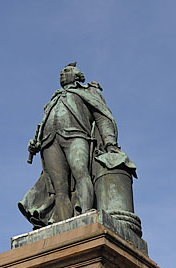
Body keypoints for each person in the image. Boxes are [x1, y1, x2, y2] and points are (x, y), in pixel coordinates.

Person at [19, 62, 137, 229]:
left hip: (76, 136)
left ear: (77, 75)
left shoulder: (85, 92)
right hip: (49, 141)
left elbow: (102, 118)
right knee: (59, 188)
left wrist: (110, 143)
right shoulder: (54, 99)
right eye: (61, 71)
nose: (62, 73)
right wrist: (35, 143)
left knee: (81, 174)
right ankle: (62, 224)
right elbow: (44, 123)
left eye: (66, 71)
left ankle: (85, 215)